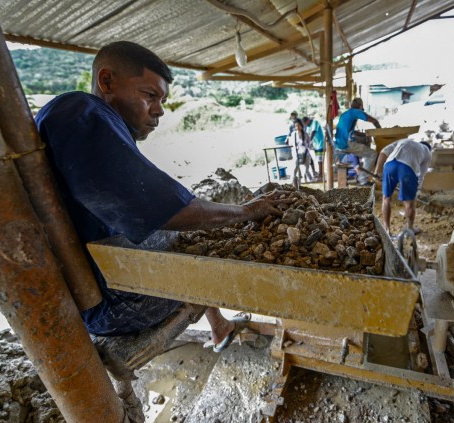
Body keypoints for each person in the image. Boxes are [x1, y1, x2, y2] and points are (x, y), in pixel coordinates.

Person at [35, 41, 285, 352]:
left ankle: (219, 327)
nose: (160, 110)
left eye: (162, 100)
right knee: (210, 255)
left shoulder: (87, 118)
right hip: (115, 304)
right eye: (149, 95)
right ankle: (221, 326)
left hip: (106, 279)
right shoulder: (81, 114)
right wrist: (248, 211)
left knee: (191, 242)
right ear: (107, 82)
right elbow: (169, 210)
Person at [374, 138, 432, 236]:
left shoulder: (404, 140)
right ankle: (410, 229)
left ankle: (387, 230)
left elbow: (383, 152)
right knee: (409, 203)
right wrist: (416, 190)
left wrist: (377, 171)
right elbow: (421, 175)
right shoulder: (427, 151)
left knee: (386, 198)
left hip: (389, 165)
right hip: (407, 169)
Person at [334, 98, 381, 185]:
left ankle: (363, 175)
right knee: (372, 154)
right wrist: (381, 131)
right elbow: (374, 120)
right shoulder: (355, 111)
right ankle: (363, 179)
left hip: (339, 143)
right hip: (345, 144)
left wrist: (362, 135)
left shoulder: (345, 114)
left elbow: (350, 132)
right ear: (360, 107)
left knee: (366, 151)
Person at [288, 118, 313, 185]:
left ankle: (311, 181)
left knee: (306, 171)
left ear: (301, 126)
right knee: (295, 170)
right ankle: (293, 184)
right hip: (297, 155)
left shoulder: (306, 134)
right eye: (296, 126)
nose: (297, 127)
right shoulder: (294, 134)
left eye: (299, 125)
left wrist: (305, 144)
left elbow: (310, 144)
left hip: (306, 154)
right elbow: (291, 144)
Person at [303, 116, 324, 181]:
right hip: (316, 145)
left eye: (306, 124)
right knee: (318, 160)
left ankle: (321, 176)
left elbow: (313, 131)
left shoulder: (315, 122)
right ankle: (319, 173)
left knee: (320, 160)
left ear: (308, 121)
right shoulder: (308, 127)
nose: (306, 125)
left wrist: (309, 141)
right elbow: (307, 134)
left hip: (320, 144)